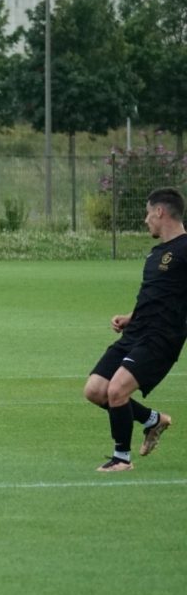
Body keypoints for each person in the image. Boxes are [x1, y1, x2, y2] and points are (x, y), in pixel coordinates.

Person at [84, 187, 187, 472]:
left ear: (160, 212)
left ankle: (121, 459)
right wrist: (130, 317)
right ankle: (153, 420)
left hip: (161, 338)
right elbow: (156, 296)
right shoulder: (156, 254)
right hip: (136, 332)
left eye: (147, 213)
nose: (145, 220)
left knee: (117, 390)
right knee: (95, 390)